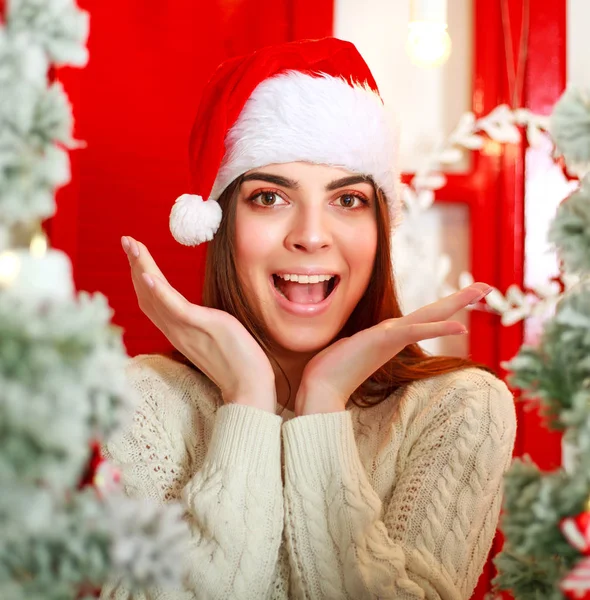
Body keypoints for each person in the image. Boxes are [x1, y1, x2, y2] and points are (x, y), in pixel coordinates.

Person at [100, 37, 516, 600]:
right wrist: (247, 397)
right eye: (270, 197)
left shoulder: (461, 407)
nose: (312, 236)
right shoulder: (137, 401)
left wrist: (321, 407)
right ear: (220, 226)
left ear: (379, 231)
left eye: (347, 201)